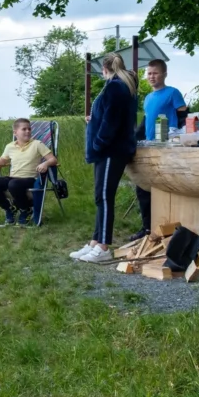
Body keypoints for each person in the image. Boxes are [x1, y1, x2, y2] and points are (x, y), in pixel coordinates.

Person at [71, 53, 138, 262]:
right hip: (107, 150)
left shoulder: (115, 87)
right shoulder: (117, 86)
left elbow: (111, 122)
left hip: (111, 150)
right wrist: (94, 120)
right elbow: (107, 115)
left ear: (104, 69)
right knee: (100, 196)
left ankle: (103, 246)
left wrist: (98, 143)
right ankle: (94, 240)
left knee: (105, 197)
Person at [131, 58, 189, 240]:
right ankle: (147, 228)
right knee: (143, 186)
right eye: (149, 73)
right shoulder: (148, 98)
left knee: (167, 185)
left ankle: (172, 227)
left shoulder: (172, 93)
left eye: (155, 73)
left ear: (164, 74)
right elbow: (147, 121)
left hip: (166, 146)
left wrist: (175, 135)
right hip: (149, 146)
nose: (152, 76)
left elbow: (183, 116)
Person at [0, 118, 58, 226]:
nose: (28, 131)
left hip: (29, 179)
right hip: (13, 177)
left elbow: (53, 159)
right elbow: (3, 160)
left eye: (29, 129)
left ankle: (25, 210)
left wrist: (45, 164)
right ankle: (9, 209)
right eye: (24, 129)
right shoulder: (10, 146)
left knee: (13, 184)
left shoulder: (37, 144)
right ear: (15, 132)